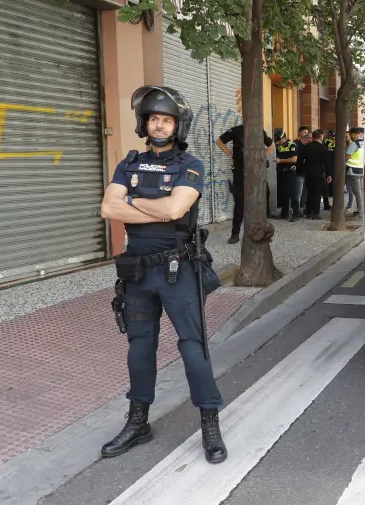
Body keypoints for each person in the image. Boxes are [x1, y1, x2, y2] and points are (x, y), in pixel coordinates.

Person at [98, 85, 227, 464]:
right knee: (139, 349)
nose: (159, 125)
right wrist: (152, 205)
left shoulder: (190, 165)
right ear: (144, 123)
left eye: (166, 120)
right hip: (138, 273)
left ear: (177, 126)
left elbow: (175, 210)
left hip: (178, 271)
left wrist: (131, 200)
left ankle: (210, 424)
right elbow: (108, 208)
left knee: (193, 348)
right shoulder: (129, 164)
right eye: (153, 118)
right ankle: (138, 422)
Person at [216, 124, 274, 244]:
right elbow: (219, 142)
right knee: (240, 204)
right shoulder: (236, 130)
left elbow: (271, 145)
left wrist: (262, 157)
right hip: (240, 173)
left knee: (259, 203)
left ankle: (262, 232)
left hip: (256, 174)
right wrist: (231, 155)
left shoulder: (259, 130)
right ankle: (235, 234)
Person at [303, 130, 333, 219]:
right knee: (317, 193)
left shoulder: (306, 147)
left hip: (308, 173)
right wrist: (329, 174)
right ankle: (315, 213)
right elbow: (327, 162)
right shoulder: (323, 148)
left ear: (312, 137)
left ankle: (308, 212)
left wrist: (301, 171)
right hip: (319, 173)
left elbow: (300, 160)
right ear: (321, 137)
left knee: (309, 193)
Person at [274, 131, 301, 221]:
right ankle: (284, 213)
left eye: (279, 139)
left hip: (290, 172)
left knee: (293, 194)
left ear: (284, 138)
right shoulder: (278, 146)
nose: (278, 141)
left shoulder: (292, 145)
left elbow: (294, 159)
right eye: (277, 139)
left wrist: (281, 160)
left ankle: (296, 214)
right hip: (281, 173)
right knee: (283, 194)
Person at [345, 127, 365, 219]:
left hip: (353, 171)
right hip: (362, 170)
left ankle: (361, 213)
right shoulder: (364, 143)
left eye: (350, 134)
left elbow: (347, 157)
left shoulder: (354, 144)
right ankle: (360, 211)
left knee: (357, 193)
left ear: (353, 134)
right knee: (360, 192)